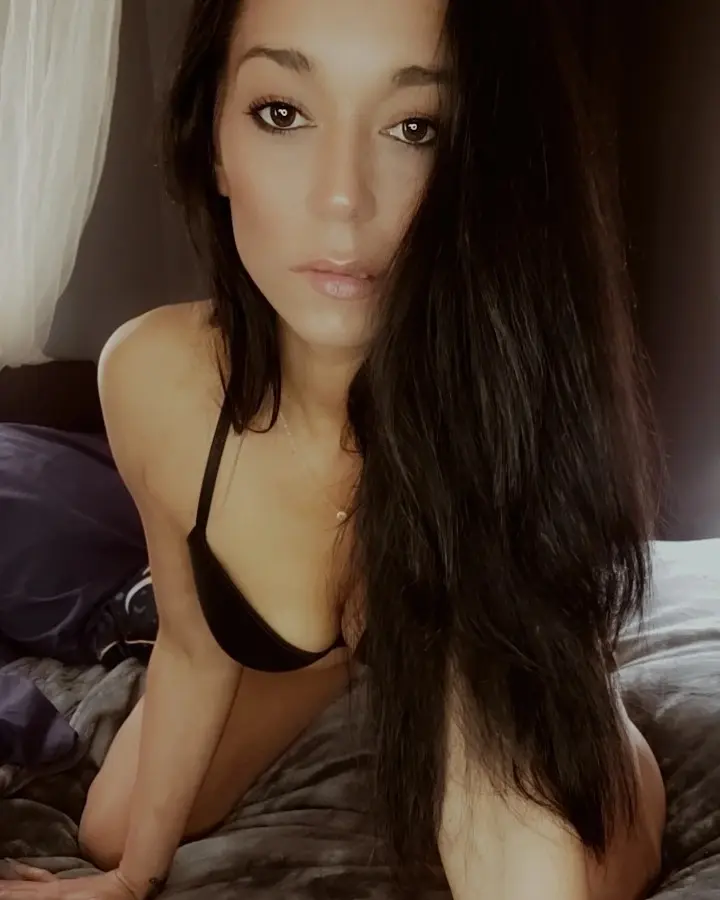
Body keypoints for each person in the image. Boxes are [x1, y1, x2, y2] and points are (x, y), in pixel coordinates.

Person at [0, 0, 667, 898]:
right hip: (289, 660)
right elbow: (194, 644)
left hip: (501, 651)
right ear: (215, 145)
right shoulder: (153, 377)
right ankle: (334, 654)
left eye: (415, 127)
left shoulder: (517, 390)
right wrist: (129, 880)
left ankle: (601, 714)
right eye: (282, 113)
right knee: (110, 823)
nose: (343, 200)